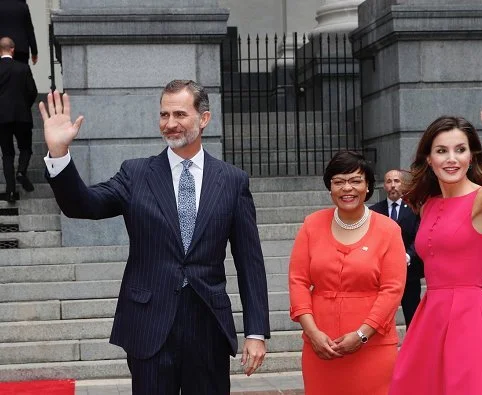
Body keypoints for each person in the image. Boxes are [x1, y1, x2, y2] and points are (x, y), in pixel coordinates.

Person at [39, 80, 270, 394]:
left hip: (207, 326)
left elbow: (250, 263)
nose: (170, 124)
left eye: (179, 114)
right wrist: (59, 152)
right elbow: (83, 205)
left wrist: (256, 332)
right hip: (148, 324)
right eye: (164, 115)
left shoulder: (232, 180)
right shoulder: (136, 174)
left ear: (203, 119)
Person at [388, 99, 482, 395]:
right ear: (429, 158)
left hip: (471, 321)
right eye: (441, 151)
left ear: (471, 157)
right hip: (431, 317)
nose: (451, 159)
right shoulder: (428, 203)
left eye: (460, 149)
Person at [289, 150, 407, 395]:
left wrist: (362, 335)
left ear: (367, 187)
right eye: (339, 182)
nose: (347, 188)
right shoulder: (312, 224)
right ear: (329, 187)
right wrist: (312, 334)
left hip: (372, 346)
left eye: (355, 181)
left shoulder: (388, 230)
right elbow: (298, 281)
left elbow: (392, 290)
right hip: (321, 347)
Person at [370, 169, 423, 328]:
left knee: (412, 315)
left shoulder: (415, 209)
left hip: (410, 273)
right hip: (382, 274)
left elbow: (419, 235)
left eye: (397, 181)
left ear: (404, 184)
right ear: (384, 186)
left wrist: (408, 255)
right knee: (381, 315)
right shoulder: (374, 211)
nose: (393, 185)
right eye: (388, 181)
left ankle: (414, 351)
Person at [0, 37, 37, 203]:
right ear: (13, 49)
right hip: (22, 116)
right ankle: (21, 171)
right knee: (26, 148)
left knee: (7, 155)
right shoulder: (23, 68)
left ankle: (11, 192)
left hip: (2, 118)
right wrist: (24, 105)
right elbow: (33, 91)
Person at [0, 0, 38, 65]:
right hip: (21, 48)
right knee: (21, 73)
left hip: (2, 48)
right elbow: (29, 30)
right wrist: (34, 52)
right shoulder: (23, 6)